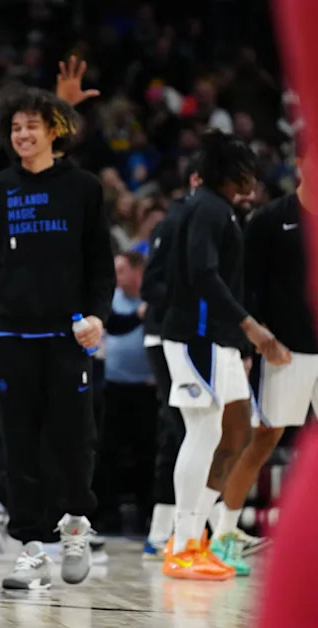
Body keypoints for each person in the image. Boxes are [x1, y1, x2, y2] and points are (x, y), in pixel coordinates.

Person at [0, 88, 115, 590]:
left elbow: (101, 267)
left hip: (67, 334)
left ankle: (74, 526)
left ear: (55, 131)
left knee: (73, 438)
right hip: (9, 333)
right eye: (15, 127)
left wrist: (97, 316)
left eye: (32, 125)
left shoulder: (85, 188)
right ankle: (30, 550)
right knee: (19, 444)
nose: (22, 135)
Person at [160, 130, 290, 581]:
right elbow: (203, 274)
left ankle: (198, 537)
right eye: (245, 174)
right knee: (203, 430)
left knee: (237, 431)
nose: (252, 184)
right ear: (225, 172)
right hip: (199, 336)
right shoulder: (207, 209)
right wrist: (249, 326)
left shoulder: (222, 211)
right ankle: (180, 544)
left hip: (220, 339)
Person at [209, 152, 318, 571]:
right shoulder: (271, 220)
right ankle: (224, 535)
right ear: (300, 163)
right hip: (285, 353)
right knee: (262, 442)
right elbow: (246, 287)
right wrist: (255, 340)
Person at [139, 162, 199, 559]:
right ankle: (164, 530)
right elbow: (151, 286)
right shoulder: (176, 222)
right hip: (166, 337)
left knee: (188, 431)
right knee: (178, 429)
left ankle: (179, 527)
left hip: (189, 338)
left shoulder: (204, 217)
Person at [94, 251, 157, 534]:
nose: (116, 277)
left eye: (121, 271)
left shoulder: (155, 297)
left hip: (147, 390)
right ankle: (107, 515)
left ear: (137, 272)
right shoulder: (112, 301)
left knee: (147, 454)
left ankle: (148, 516)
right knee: (108, 454)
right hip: (114, 389)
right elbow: (116, 326)